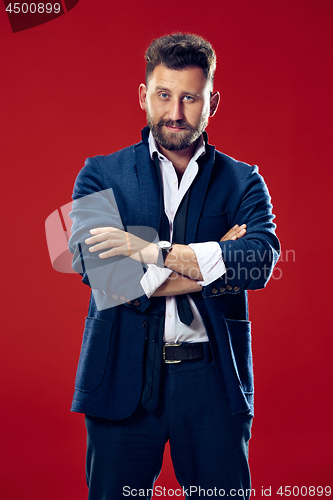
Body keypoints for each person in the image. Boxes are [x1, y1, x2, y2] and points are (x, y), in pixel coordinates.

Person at [68, 33, 280, 500]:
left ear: (213, 102)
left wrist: (148, 251)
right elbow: (99, 272)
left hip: (212, 383)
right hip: (120, 377)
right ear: (144, 95)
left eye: (190, 97)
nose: (176, 112)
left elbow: (258, 261)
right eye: (164, 95)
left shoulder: (243, 181)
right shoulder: (101, 174)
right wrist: (211, 259)